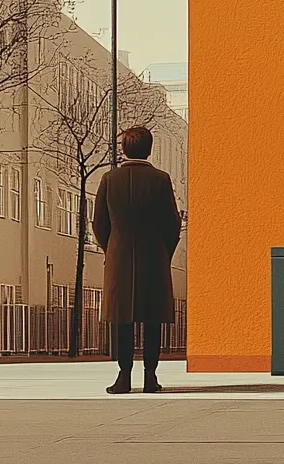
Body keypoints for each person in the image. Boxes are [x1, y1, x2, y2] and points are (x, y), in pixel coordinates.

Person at [93, 125, 182, 394]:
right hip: (154, 256)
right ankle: (150, 377)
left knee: (123, 319)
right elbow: (172, 223)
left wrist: (111, 247)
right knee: (152, 320)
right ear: (149, 148)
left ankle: (123, 377)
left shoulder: (109, 179)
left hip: (119, 257)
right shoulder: (161, 179)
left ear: (123, 148)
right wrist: (164, 251)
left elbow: (99, 223)